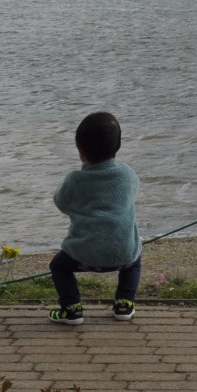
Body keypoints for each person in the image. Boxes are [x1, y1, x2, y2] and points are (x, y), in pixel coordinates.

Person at [47, 111, 143, 325]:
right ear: (118, 146)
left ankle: (71, 309)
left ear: (81, 151)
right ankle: (124, 304)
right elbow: (134, 192)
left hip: (83, 255)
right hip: (123, 254)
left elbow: (60, 202)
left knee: (58, 266)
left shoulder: (75, 179)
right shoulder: (128, 175)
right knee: (135, 260)